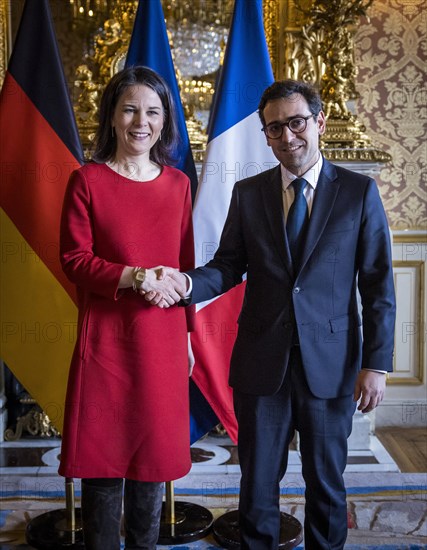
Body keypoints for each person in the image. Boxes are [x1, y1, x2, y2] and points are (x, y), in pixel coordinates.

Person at [149, 80, 396, 549]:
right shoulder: (248, 193)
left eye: (296, 123)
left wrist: (376, 364)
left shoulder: (359, 193)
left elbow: (378, 284)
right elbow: (227, 267)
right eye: (275, 128)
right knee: (257, 486)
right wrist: (184, 284)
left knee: (326, 484)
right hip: (262, 365)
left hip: (332, 365)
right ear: (265, 135)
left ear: (318, 123)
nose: (288, 136)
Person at [58, 66, 192, 550]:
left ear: (164, 120)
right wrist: (137, 277)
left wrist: (190, 336)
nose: (142, 121)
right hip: (108, 343)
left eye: (153, 111)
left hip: (163, 339)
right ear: (112, 117)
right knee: (103, 458)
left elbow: (186, 264)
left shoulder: (178, 184)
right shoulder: (87, 180)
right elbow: (73, 259)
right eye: (130, 109)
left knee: (152, 461)